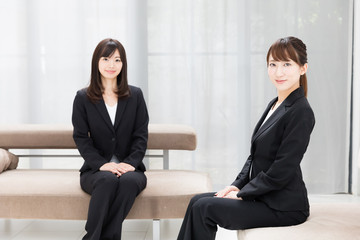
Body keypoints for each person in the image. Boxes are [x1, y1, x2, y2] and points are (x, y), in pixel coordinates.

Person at [177, 36, 315, 240]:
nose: (279, 71)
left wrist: (243, 194)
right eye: (273, 64)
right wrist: (237, 185)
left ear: (303, 68)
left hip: (283, 206)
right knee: (196, 201)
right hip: (262, 196)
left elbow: (282, 169)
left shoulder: (300, 111)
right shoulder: (275, 104)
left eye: (287, 64)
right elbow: (255, 155)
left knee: (205, 207)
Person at [72, 38, 149, 240]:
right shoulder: (83, 98)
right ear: (96, 62)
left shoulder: (136, 95)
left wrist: (130, 163)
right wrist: (102, 164)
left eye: (117, 60)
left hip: (130, 169)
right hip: (95, 170)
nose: (111, 65)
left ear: (123, 64)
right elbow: (81, 138)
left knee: (129, 182)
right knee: (106, 180)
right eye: (105, 59)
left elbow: (141, 135)